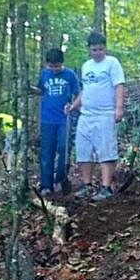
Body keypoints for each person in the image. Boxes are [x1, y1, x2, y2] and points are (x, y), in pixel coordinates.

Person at [66, 31, 125, 202]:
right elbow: (85, 90)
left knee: (106, 151)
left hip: (105, 114)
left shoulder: (112, 63)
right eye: (94, 50)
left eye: (100, 49)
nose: (97, 52)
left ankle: (106, 187)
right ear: (89, 50)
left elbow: (119, 86)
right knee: (83, 151)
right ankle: (87, 184)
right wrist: (74, 105)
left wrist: (119, 108)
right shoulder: (86, 66)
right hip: (86, 114)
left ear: (105, 48)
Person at [31, 48, 80, 195]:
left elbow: (79, 93)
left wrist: (72, 106)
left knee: (64, 149)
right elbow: (41, 90)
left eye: (57, 66)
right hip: (47, 119)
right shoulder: (45, 73)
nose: (54, 69)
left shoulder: (70, 75)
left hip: (64, 118)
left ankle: (61, 179)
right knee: (47, 151)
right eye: (51, 66)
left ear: (62, 63)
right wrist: (29, 88)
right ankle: (46, 184)